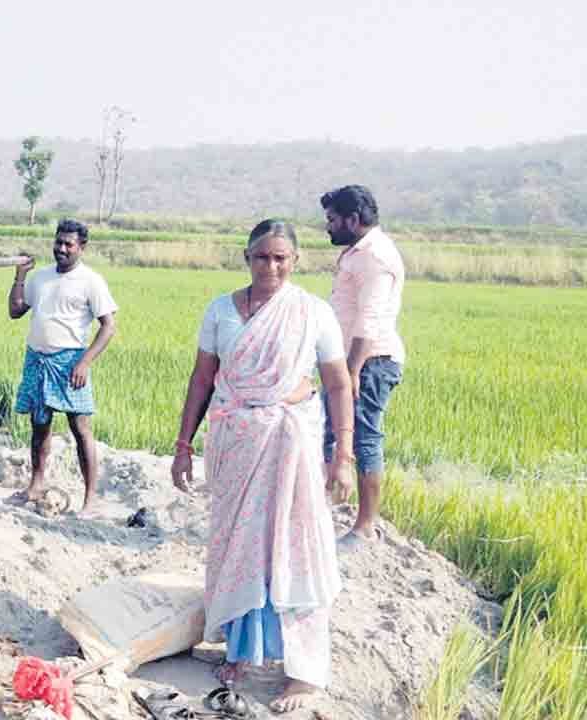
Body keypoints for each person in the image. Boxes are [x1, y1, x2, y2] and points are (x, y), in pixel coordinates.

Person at [172, 220, 355, 713]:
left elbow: (338, 385)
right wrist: (183, 443)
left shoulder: (312, 313)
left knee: (294, 547)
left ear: (295, 262)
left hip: (288, 444)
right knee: (239, 545)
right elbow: (202, 380)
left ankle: (303, 673)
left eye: (280, 258)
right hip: (235, 443)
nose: (270, 267)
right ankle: (243, 651)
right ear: (246, 257)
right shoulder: (220, 311)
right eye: (261, 257)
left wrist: (344, 456)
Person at [6, 219, 118, 513]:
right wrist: (19, 276)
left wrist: (84, 362)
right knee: (39, 425)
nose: (62, 249)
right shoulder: (40, 278)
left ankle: (90, 497)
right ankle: (35, 485)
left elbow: (108, 326)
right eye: (58, 242)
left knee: (80, 428)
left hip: (70, 362)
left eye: (69, 244)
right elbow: (15, 311)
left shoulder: (90, 281)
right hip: (37, 359)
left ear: (82, 247)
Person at [321, 185, 406, 550]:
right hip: (346, 359)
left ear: (353, 220)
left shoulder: (375, 257)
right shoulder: (357, 252)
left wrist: (351, 372)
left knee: (364, 438)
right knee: (332, 434)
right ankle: (322, 516)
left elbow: (370, 320)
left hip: (370, 362)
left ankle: (365, 527)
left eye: (332, 220)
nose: (328, 227)